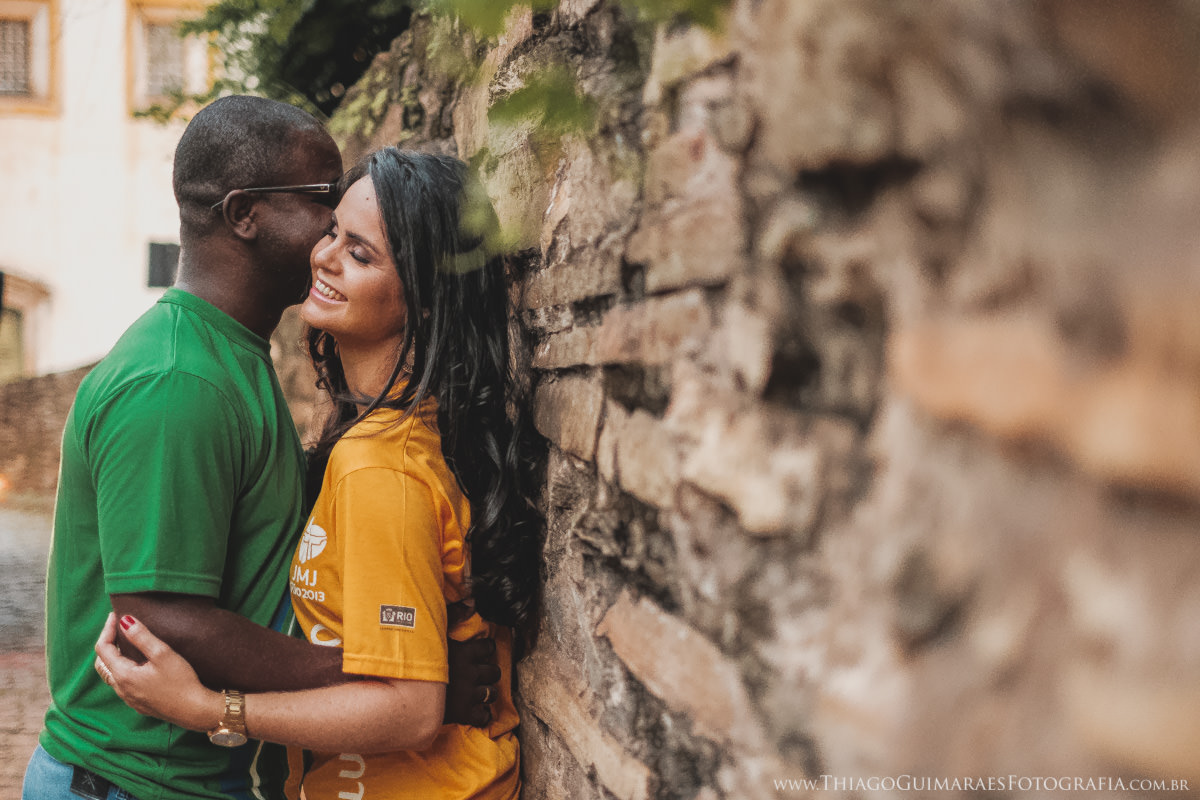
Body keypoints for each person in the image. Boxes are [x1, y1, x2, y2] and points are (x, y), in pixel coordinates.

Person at [24, 99, 497, 800]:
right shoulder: (178, 381)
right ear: (245, 214)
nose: (330, 233)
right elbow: (157, 616)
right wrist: (379, 675)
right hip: (130, 782)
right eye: (323, 201)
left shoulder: (232, 356)